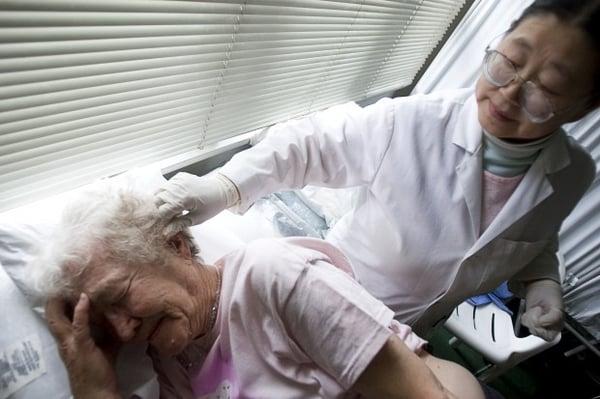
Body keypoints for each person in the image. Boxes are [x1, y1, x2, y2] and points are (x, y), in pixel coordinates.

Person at [155, 0, 599, 339]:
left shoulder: (574, 173)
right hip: (324, 298)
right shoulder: (414, 122)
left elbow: (530, 231)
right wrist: (223, 186)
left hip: (407, 335)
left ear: (584, 107)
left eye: (549, 89)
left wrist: (542, 279)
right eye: (509, 61)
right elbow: (309, 143)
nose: (507, 94)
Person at [27, 184, 486, 399]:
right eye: (106, 319)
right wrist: (97, 390)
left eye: (121, 295)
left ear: (175, 245)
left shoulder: (273, 277)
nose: (125, 328)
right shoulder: (174, 357)